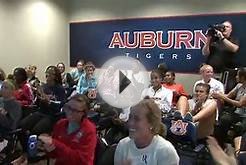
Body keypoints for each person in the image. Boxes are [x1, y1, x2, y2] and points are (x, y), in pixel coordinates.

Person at [114, 98, 179, 165]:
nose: (130, 123)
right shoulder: (122, 145)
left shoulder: (166, 151)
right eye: (130, 117)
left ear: (151, 124)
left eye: (137, 119)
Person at [212, 67, 246, 152]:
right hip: (236, 112)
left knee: (241, 127)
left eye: (238, 75)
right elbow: (228, 96)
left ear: (243, 77)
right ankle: (220, 145)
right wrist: (218, 95)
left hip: (244, 115)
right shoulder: (239, 86)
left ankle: (239, 149)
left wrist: (222, 97)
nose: (236, 77)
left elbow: (240, 104)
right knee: (223, 120)